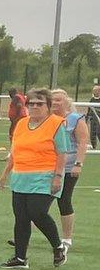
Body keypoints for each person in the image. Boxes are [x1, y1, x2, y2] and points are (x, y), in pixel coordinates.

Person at [0, 88, 69, 269]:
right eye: (31, 103)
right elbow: (15, 151)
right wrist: (5, 173)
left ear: (48, 106)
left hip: (45, 177)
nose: (35, 107)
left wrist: (58, 177)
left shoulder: (56, 124)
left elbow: (62, 153)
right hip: (21, 177)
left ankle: (58, 246)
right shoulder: (22, 124)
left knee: (37, 212)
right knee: (21, 217)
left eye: (40, 103)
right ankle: (20, 259)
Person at [51, 89, 88, 251]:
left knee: (64, 200)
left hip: (68, 167)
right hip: (48, 168)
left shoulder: (75, 119)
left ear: (66, 102)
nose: (55, 103)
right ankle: (24, 236)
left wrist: (78, 164)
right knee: (37, 202)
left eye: (58, 100)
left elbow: (82, 142)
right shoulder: (48, 120)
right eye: (52, 100)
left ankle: (67, 238)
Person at [87, 85, 100, 150]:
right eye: (93, 90)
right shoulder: (92, 99)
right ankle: (94, 147)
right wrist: (87, 118)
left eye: (95, 90)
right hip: (93, 118)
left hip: (99, 118)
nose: (94, 92)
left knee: (98, 132)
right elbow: (89, 109)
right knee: (92, 133)